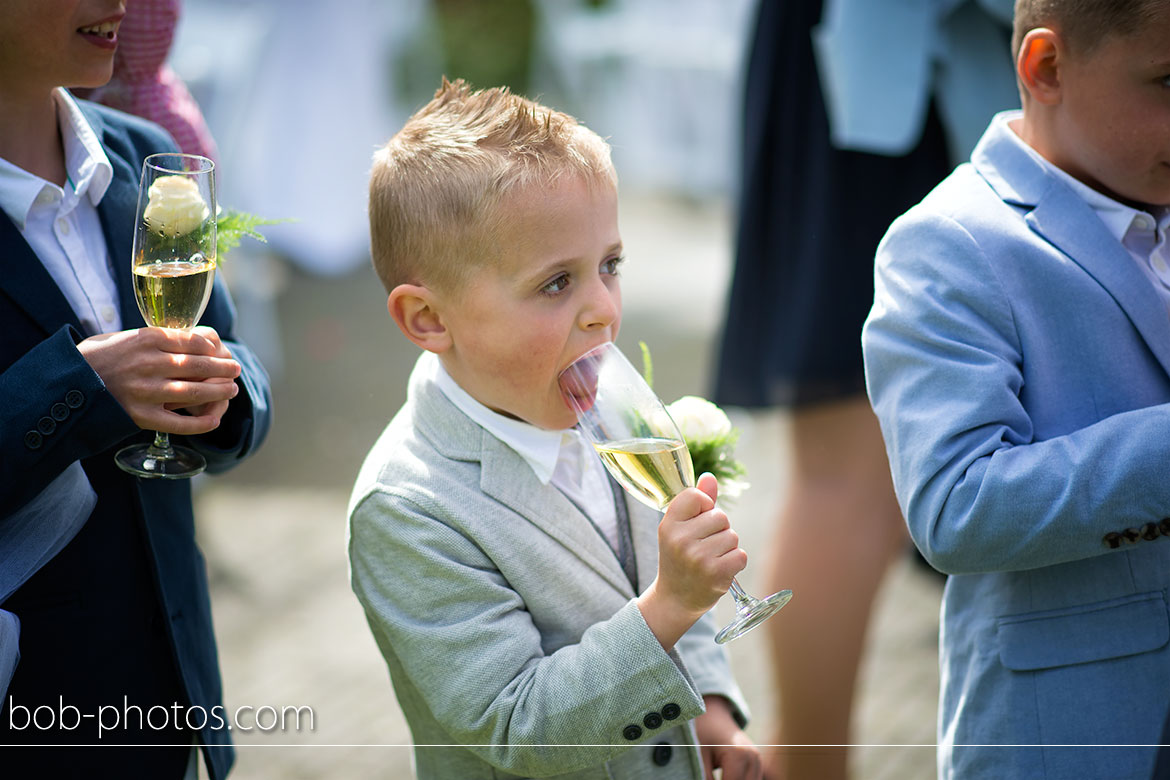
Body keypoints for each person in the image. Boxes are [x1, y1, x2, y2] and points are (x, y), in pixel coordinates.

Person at [349, 78, 760, 779]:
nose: (604, 307)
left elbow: (652, 567)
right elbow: (517, 724)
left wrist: (712, 702)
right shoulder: (409, 509)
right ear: (429, 319)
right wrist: (670, 605)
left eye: (610, 265)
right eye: (555, 284)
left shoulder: (604, 405)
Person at [862, 0, 1170, 776]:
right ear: (1046, 67)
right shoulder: (949, 244)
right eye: (1168, 80)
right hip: (1073, 733)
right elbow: (956, 508)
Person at [711, 0, 1016, 776]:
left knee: (845, 482)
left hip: (883, 68)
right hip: (880, 77)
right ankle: (808, 768)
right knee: (849, 482)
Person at [0, 2, 271, 778]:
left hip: (168, 705)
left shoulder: (149, 158)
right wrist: (79, 385)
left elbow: (234, 353)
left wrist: (223, 399)